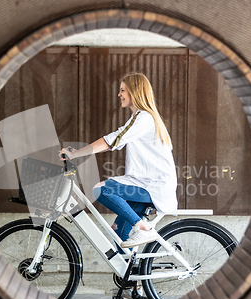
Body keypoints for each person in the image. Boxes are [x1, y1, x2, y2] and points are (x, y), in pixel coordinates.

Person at [59, 72, 177, 249]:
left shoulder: (143, 117)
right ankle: (131, 274)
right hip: (144, 184)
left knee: (101, 190)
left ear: (134, 92)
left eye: (123, 90)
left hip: (152, 185)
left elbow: (112, 140)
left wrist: (75, 154)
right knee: (118, 232)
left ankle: (143, 228)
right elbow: (115, 140)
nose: (119, 95)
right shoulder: (141, 118)